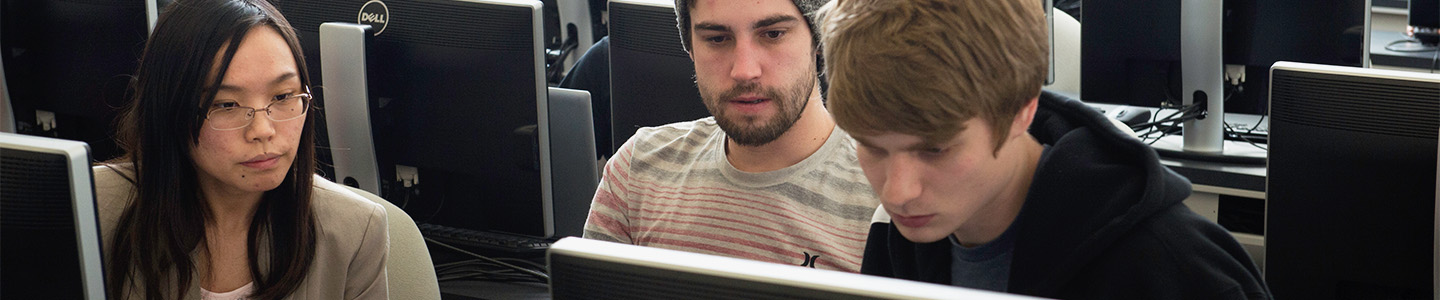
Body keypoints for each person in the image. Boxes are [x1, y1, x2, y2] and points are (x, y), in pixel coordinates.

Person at [819, 0, 1271, 299]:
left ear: (1021, 110)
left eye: (935, 150)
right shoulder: (895, 237)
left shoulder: (1175, 267)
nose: (897, 193)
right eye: (871, 147)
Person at [95, 0, 388, 299]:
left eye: (283, 96)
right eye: (226, 104)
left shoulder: (354, 231)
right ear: (169, 108)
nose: (263, 130)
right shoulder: (91, 209)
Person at [582, 0, 878, 272]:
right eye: (717, 38)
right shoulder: (637, 172)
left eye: (773, 34)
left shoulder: (891, 194)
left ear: (818, 38)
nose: (745, 71)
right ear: (691, 49)